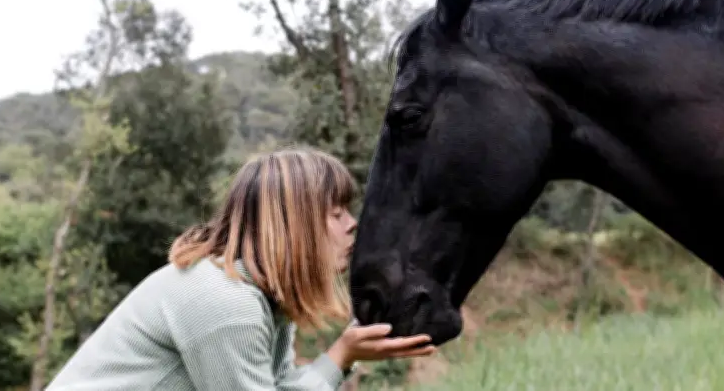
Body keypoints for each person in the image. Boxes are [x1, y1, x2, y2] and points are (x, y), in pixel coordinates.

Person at [46, 147, 436, 390]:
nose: (352, 224)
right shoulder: (226, 302)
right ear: (294, 226)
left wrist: (344, 353)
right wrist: (340, 356)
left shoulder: (259, 296)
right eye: (335, 214)